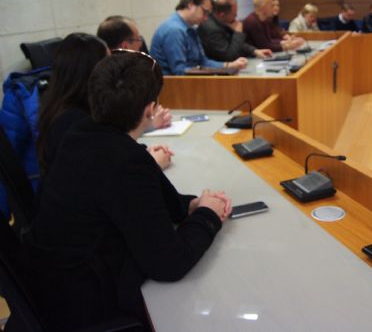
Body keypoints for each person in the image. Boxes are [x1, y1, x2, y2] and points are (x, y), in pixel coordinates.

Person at [26, 51, 232, 331]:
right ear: (150, 110)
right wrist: (207, 216)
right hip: (87, 300)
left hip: (54, 283)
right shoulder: (124, 160)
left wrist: (189, 206)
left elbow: (145, 200)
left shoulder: (82, 132)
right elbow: (169, 264)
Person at [37, 35, 173, 176]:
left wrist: (142, 152)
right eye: (107, 61)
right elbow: (102, 175)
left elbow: (112, 149)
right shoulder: (74, 123)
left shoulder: (60, 106)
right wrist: (152, 164)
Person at [150, 0, 247, 75]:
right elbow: (180, 72)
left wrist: (229, 65)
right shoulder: (174, 31)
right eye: (205, 12)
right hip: (173, 86)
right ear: (191, 5)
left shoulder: (191, 28)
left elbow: (203, 62)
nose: (206, 18)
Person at [98, 16, 172, 128]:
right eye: (138, 39)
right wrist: (151, 124)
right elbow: (117, 126)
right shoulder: (112, 80)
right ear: (124, 46)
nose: (141, 44)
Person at [198, 0, 272, 62]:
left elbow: (235, 43)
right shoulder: (211, 29)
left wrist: (254, 51)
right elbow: (229, 57)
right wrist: (238, 33)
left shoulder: (221, 21)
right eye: (234, 15)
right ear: (222, 15)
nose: (236, 18)